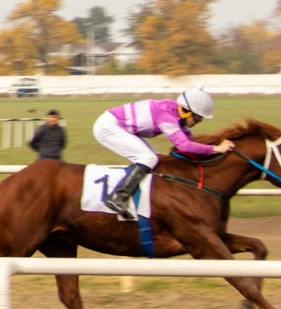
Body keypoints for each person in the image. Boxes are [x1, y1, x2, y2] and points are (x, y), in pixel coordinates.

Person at [92, 87, 233, 221]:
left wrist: (216, 148)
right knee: (149, 158)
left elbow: (191, 141)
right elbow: (184, 146)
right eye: (197, 118)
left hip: (119, 127)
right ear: (186, 111)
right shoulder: (166, 115)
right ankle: (117, 197)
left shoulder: (176, 113)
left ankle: (144, 201)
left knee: (157, 160)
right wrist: (216, 149)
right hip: (108, 127)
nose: (198, 122)